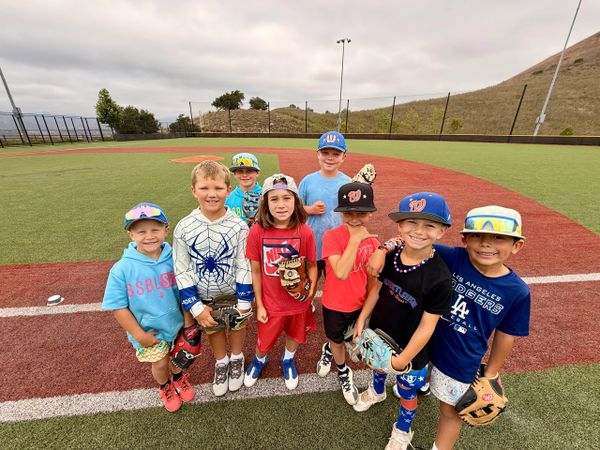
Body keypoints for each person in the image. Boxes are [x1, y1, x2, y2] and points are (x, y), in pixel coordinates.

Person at [369, 205, 530, 450]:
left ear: (517, 245)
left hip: (459, 357)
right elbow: (409, 240)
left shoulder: (517, 291)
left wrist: (491, 373)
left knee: (449, 411)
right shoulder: (452, 256)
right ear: (464, 239)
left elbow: (506, 335)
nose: (486, 244)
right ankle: (422, 384)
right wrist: (382, 250)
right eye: (477, 236)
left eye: (499, 238)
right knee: (419, 375)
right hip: (422, 341)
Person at [354, 192, 453, 450]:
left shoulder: (440, 277)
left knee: (407, 392)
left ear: (442, 231)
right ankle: (377, 392)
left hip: (411, 351)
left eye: (429, 225)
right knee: (377, 365)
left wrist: (402, 360)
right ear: (399, 226)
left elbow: (427, 326)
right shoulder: (390, 255)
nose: (418, 231)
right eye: (411, 222)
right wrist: (362, 319)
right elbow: (376, 290)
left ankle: (403, 429)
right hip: (380, 333)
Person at [173, 160, 254, 397]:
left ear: (228, 190)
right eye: (204, 188)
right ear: (193, 190)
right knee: (213, 328)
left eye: (218, 188)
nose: (212, 194)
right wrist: (195, 306)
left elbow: (243, 263)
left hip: (234, 292)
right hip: (204, 295)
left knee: (238, 326)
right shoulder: (184, 227)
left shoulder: (239, 226)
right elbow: (182, 269)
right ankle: (221, 361)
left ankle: (237, 357)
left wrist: (245, 300)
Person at [102, 202, 193, 413]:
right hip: (149, 332)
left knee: (179, 359)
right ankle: (165, 386)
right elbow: (118, 307)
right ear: (130, 234)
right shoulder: (122, 269)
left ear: (166, 230)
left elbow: (187, 290)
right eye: (141, 231)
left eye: (155, 229)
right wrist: (139, 334)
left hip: (178, 325)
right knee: (160, 364)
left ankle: (178, 377)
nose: (149, 236)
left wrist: (189, 322)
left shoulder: (176, 258)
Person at [244, 173, 317, 390]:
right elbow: (256, 271)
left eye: (287, 198)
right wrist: (260, 304)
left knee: (295, 335)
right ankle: (260, 359)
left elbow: (312, 266)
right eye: (274, 199)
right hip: (271, 304)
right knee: (264, 341)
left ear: (296, 201)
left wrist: (310, 291)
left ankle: (288, 359)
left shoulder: (305, 232)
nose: (281, 205)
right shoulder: (257, 231)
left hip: (297, 303)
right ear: (265, 203)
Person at [316, 181, 380, 406]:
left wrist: (363, 316)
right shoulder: (331, 236)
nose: (354, 219)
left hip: (358, 304)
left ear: (370, 213)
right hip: (333, 304)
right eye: (348, 213)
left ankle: (330, 348)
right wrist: (354, 239)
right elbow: (341, 272)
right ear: (341, 213)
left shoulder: (374, 244)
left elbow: (374, 285)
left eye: (361, 213)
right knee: (336, 339)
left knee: (348, 339)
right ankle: (343, 370)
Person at [298, 131, 351, 279]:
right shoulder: (308, 181)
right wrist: (309, 209)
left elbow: (354, 214)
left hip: (338, 244)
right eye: (325, 152)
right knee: (309, 281)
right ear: (318, 154)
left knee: (335, 282)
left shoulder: (348, 183)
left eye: (336, 154)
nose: (330, 158)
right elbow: (294, 209)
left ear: (344, 157)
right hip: (313, 242)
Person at [225, 152, 262, 224]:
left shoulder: (266, 196)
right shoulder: (228, 199)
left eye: (249, 171)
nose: (244, 175)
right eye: (240, 171)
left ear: (257, 173)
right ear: (234, 174)